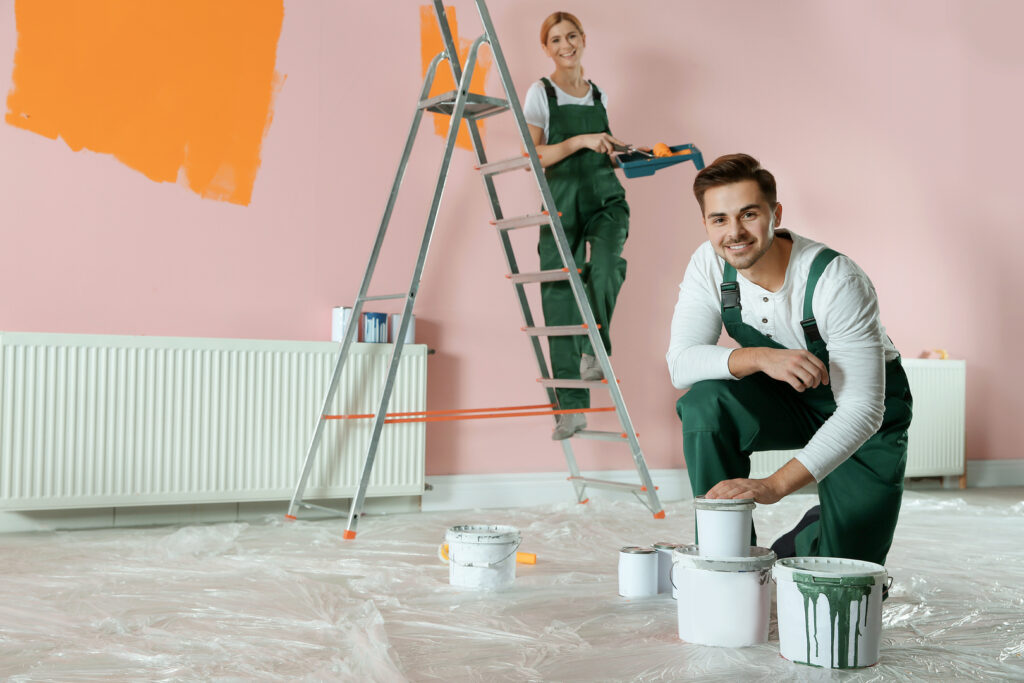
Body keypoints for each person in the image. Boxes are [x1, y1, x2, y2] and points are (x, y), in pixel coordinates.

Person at [666, 153, 912, 567]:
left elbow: (864, 410)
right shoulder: (708, 264)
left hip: (865, 415)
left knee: (842, 571)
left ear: (775, 214)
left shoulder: (837, 281)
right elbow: (681, 364)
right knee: (704, 404)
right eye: (719, 219)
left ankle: (821, 524)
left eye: (748, 214)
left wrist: (774, 485)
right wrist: (760, 358)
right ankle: (723, 554)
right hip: (788, 399)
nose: (735, 233)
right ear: (706, 223)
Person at [523, 11, 632, 440]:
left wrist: (621, 151)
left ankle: (594, 349)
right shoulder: (541, 93)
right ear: (546, 48)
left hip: (606, 198)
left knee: (605, 267)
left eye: (571, 36)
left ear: (583, 38)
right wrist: (581, 141)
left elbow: (603, 151)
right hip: (562, 202)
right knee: (559, 299)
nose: (565, 45)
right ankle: (570, 409)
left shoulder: (597, 93)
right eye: (555, 40)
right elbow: (534, 155)